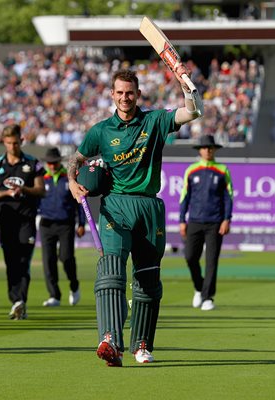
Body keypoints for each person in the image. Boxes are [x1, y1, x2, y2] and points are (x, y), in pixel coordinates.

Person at [68, 67, 204, 366]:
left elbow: (191, 113)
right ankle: (109, 340)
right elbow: (77, 159)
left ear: (138, 94)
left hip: (149, 207)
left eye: (130, 92)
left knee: (147, 280)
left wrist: (187, 87)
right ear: (112, 94)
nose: (125, 97)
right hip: (115, 205)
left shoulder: (154, 120)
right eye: (119, 92)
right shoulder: (101, 130)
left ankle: (141, 344)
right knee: (111, 272)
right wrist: (71, 181)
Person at [0, 124, 45, 320]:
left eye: (16, 143)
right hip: (6, 220)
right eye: (9, 143)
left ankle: (20, 301)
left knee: (24, 260)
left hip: (26, 219)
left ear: (22, 141)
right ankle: (16, 301)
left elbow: (41, 190)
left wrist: (24, 191)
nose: (13, 147)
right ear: (4, 142)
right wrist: (7, 193)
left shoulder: (32, 163)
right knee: (11, 262)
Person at [179, 135, 233, 311]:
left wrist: (227, 219)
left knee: (211, 261)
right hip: (194, 221)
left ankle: (208, 297)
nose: (208, 150)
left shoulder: (222, 170)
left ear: (215, 149)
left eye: (210, 147)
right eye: (204, 147)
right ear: (200, 150)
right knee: (190, 257)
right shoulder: (191, 170)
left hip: (215, 222)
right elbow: (184, 197)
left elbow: (228, 198)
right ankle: (199, 288)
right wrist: (181, 220)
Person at [38, 147, 86, 307]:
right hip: (46, 223)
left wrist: (81, 223)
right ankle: (54, 295)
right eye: (49, 163)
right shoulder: (41, 179)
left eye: (54, 163)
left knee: (66, 257)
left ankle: (74, 285)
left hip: (66, 223)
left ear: (59, 162)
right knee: (48, 260)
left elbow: (79, 202)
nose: (51, 166)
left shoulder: (69, 178)